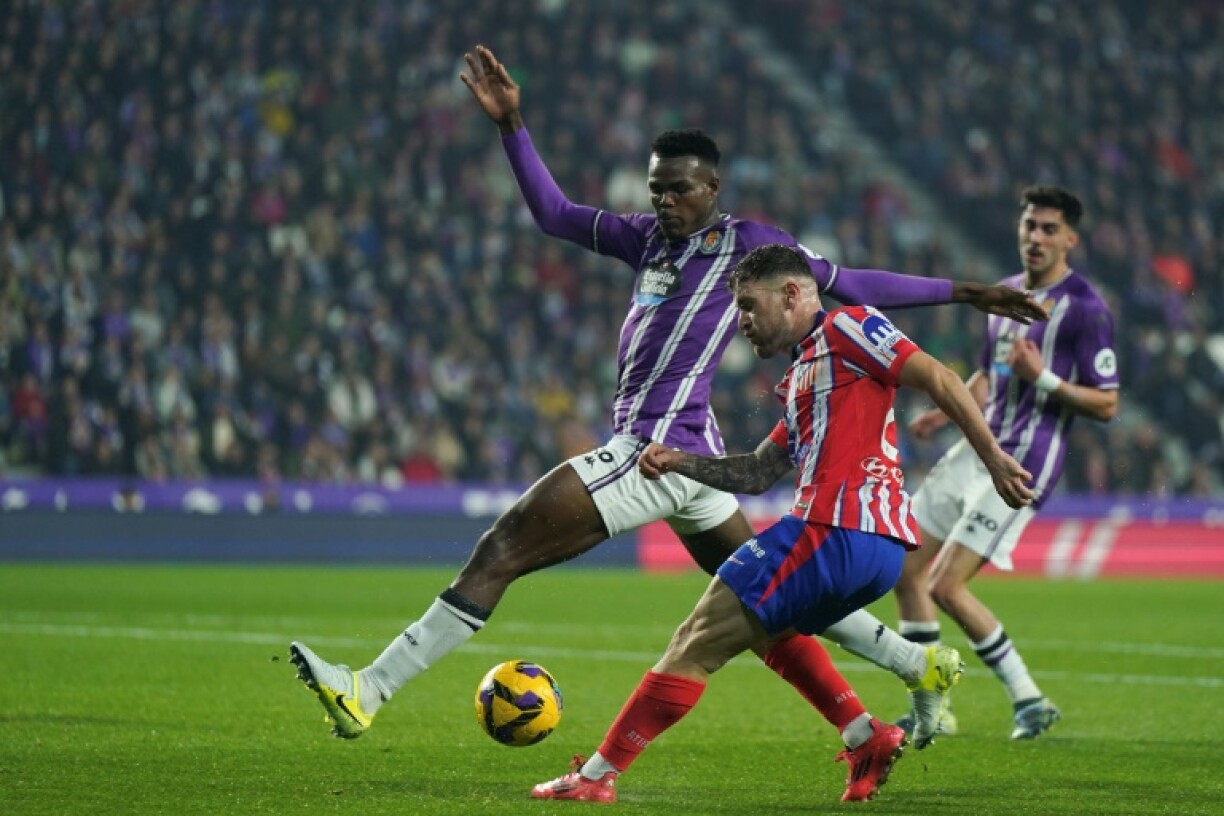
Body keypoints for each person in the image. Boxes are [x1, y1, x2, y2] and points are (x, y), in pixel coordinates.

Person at [287, 44, 1045, 747]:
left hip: (651, 448)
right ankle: (893, 691)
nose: (665, 202)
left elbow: (851, 283)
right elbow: (553, 214)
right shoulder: (643, 239)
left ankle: (369, 690)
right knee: (763, 595)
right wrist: (513, 126)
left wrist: (965, 292)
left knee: (501, 548)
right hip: (695, 455)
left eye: (679, 190)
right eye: (655, 189)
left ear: (712, 189)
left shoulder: (747, 242)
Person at [530, 244, 1033, 804]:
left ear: (792, 295)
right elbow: (757, 473)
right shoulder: (800, 378)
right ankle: (866, 736)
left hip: (833, 531)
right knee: (770, 633)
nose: (741, 322)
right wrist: (681, 461)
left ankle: (597, 776)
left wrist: (992, 457)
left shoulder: (850, 326)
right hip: (875, 551)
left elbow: (939, 376)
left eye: (748, 306)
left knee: (696, 640)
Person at [883, 185, 1119, 740]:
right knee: (905, 568)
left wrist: (1047, 379)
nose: (1035, 237)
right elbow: (991, 376)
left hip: (1025, 462)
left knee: (945, 584)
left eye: (1048, 229)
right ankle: (932, 707)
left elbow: (1108, 402)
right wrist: (946, 412)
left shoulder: (1086, 309)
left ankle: (1028, 698)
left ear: (1070, 239)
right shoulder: (1005, 296)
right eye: (1029, 225)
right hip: (977, 448)